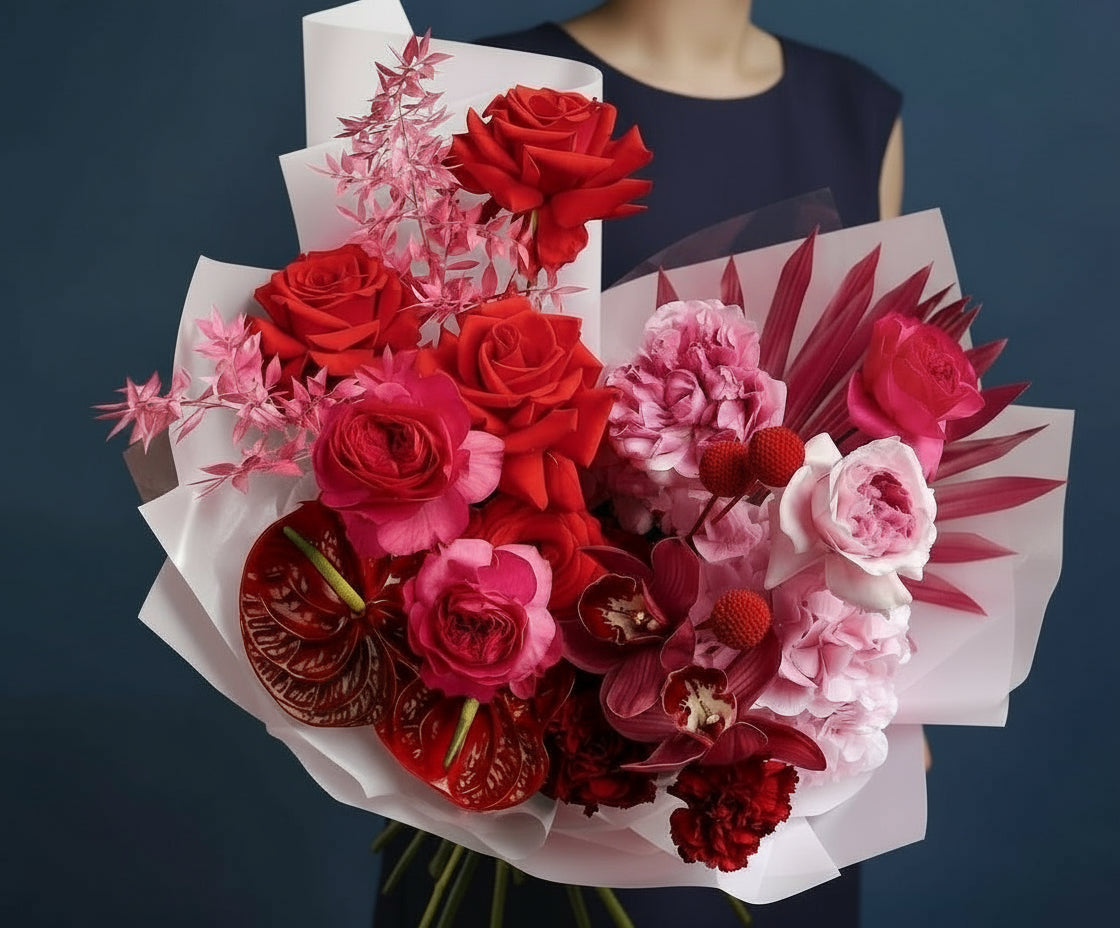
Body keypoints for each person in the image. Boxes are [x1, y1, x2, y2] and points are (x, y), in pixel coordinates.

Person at [377, 2, 903, 924]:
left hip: (761, 776)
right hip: (523, 743)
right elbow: (404, 398)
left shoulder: (858, 113)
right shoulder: (475, 91)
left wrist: (890, 684)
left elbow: (883, 437)